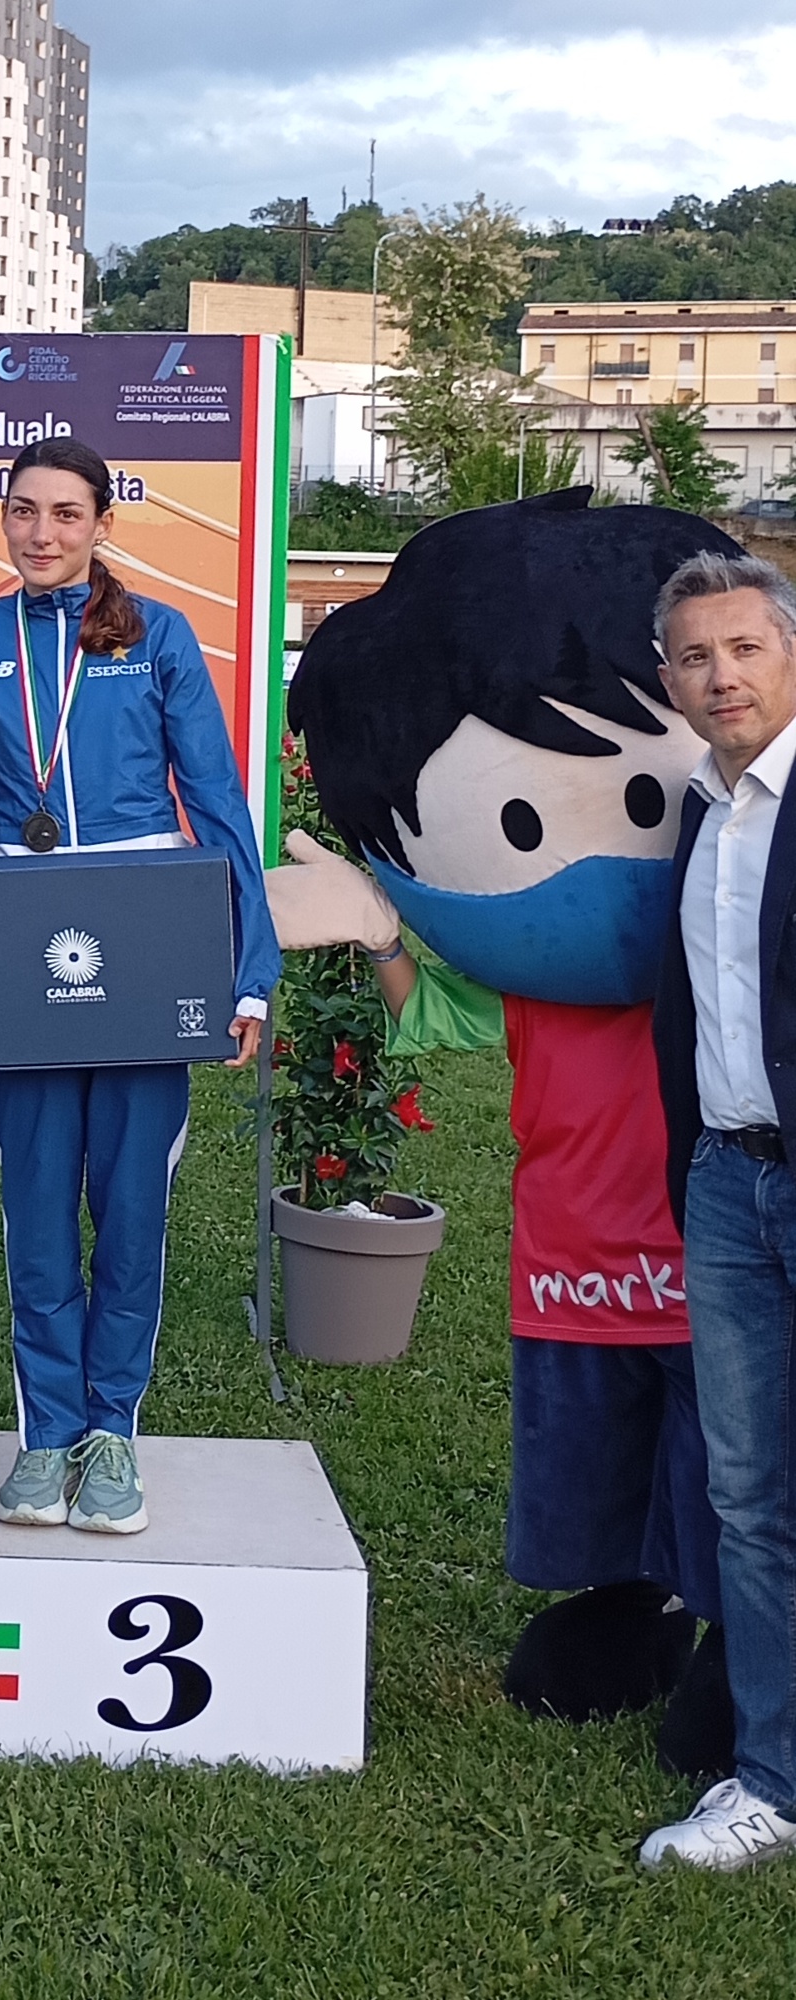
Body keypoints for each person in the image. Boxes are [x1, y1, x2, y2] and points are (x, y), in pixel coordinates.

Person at [273, 492, 736, 1771]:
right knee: (591, 1446)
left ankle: (732, 1635)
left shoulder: (732, 941)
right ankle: (628, 1603)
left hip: (713, 1250)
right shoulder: (527, 984)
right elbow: (435, 1016)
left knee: (721, 1454)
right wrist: (378, 929)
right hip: (571, 1255)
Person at [0, 438, 278, 1534]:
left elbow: (217, 801)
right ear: (3, 520)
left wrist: (247, 971)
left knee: (133, 1205)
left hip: (146, 946)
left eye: (65, 513)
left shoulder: (158, 637)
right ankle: (46, 1432)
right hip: (20, 947)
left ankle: (113, 1430)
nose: (42, 532)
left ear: (102, 523)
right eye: (23, 511)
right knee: (38, 1204)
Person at [643, 550, 796, 1870]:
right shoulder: (703, 811)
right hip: (727, 1184)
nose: (720, 675)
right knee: (746, 1496)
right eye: (694, 655)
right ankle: (772, 1779)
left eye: (742, 647)